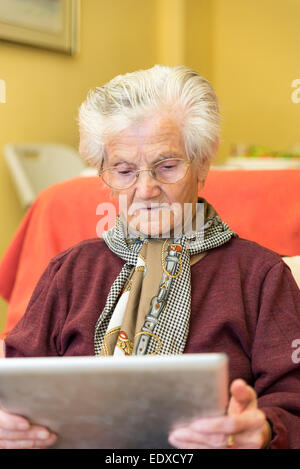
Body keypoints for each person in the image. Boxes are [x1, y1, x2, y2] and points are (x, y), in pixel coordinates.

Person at [1, 65, 300, 449]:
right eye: (124, 171)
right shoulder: (69, 271)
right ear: (103, 175)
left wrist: (262, 430)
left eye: (167, 166)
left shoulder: (260, 275)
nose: (145, 189)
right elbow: (15, 381)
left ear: (203, 162)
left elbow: (292, 398)